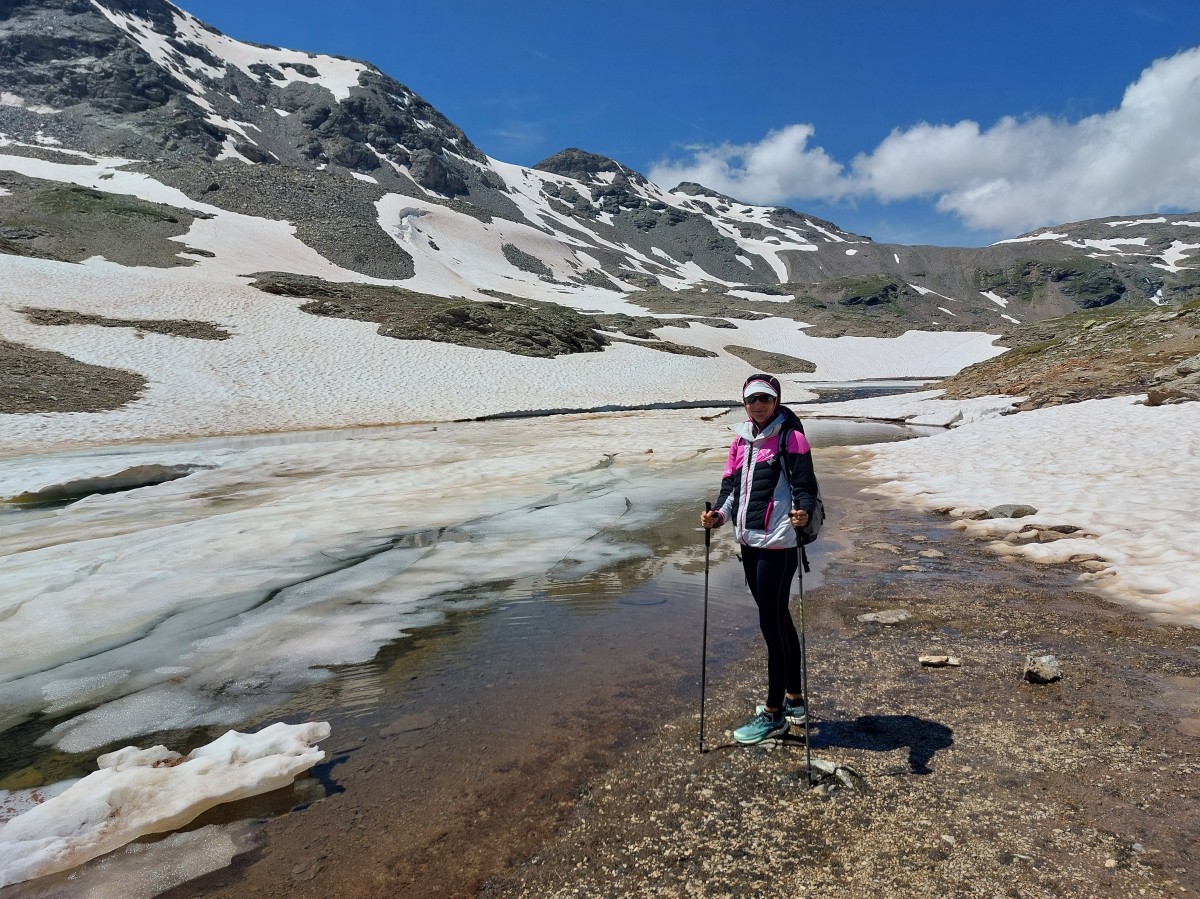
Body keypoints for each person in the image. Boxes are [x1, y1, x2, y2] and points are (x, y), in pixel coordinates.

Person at [700, 373, 819, 745]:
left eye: (765, 399)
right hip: (750, 541)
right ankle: (795, 701)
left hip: (779, 543)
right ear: (745, 403)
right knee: (779, 619)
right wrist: (718, 516)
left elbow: (805, 486)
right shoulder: (741, 440)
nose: (758, 405)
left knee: (771, 624)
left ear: (777, 401)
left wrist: (801, 511)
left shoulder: (791, 437)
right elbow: (730, 488)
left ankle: (774, 714)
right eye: (752, 400)